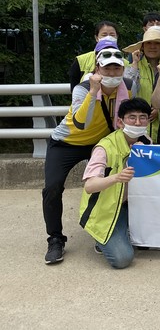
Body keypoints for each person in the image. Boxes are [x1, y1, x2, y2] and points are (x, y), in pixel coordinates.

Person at [43, 40, 133, 264]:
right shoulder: (83, 88)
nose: (112, 72)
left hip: (100, 143)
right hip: (66, 142)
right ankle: (55, 238)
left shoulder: (128, 86)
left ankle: (104, 229)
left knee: (113, 182)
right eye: (107, 68)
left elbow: (130, 114)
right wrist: (94, 91)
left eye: (117, 68)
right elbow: (81, 123)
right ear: (97, 69)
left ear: (123, 68)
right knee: (52, 188)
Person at [78, 97, 152, 269]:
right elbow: (89, 186)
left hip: (134, 204)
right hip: (108, 209)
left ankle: (127, 231)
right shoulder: (104, 147)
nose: (138, 122)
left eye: (143, 117)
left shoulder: (146, 141)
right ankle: (103, 237)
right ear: (120, 122)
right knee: (122, 258)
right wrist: (117, 177)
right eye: (132, 118)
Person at [122, 26, 160, 137]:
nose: (153, 46)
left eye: (157, 43)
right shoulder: (132, 68)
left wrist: (159, 110)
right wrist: (135, 64)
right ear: (142, 47)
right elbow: (127, 92)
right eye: (148, 43)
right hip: (137, 127)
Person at [69, 21, 121, 90]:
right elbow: (74, 87)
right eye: (104, 35)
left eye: (112, 35)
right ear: (96, 37)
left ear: (117, 37)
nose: (108, 37)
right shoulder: (81, 60)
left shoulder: (123, 61)